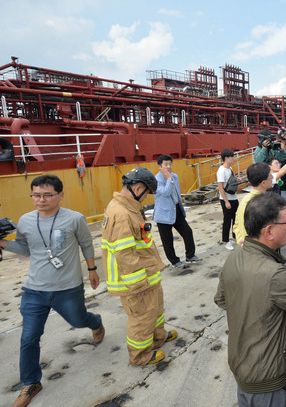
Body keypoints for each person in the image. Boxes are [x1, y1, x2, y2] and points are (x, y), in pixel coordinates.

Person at [0, 175, 104, 407]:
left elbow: (86, 243)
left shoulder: (75, 219)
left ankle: (95, 322)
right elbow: (25, 249)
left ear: (60, 195)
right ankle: (31, 383)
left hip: (67, 288)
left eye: (47, 195)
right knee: (28, 338)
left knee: (78, 320)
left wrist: (92, 269)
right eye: (36, 195)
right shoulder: (25, 221)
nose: (41, 200)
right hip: (34, 290)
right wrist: (3, 243)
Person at [215, 193, 286, 407]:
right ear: (269, 231)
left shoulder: (235, 256)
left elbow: (223, 300)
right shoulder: (275, 275)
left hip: (243, 367)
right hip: (269, 381)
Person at [101, 167, 178, 366]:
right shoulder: (121, 213)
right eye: (146, 194)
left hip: (148, 272)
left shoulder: (129, 207)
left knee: (155, 308)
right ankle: (140, 355)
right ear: (137, 188)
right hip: (137, 281)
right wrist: (138, 286)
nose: (146, 198)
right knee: (142, 317)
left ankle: (158, 337)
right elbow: (124, 254)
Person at [153, 155, 201, 268]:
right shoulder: (155, 180)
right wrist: (168, 179)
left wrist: (181, 207)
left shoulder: (175, 176)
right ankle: (175, 261)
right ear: (159, 166)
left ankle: (190, 255)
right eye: (166, 165)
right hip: (164, 214)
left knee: (187, 232)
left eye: (170, 164)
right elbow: (165, 192)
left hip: (176, 210)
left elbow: (177, 194)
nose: (169, 167)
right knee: (167, 240)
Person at [232, 162, 272, 246]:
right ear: (263, 182)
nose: (272, 179)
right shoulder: (251, 203)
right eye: (270, 177)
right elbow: (244, 229)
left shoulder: (252, 199)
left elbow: (236, 225)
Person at [217, 149, 239, 251]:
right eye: (232, 157)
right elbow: (220, 187)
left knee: (236, 218)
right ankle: (226, 240)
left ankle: (235, 237)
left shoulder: (229, 169)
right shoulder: (221, 171)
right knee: (227, 220)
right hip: (227, 199)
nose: (233, 159)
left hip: (233, 197)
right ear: (226, 158)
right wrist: (226, 201)